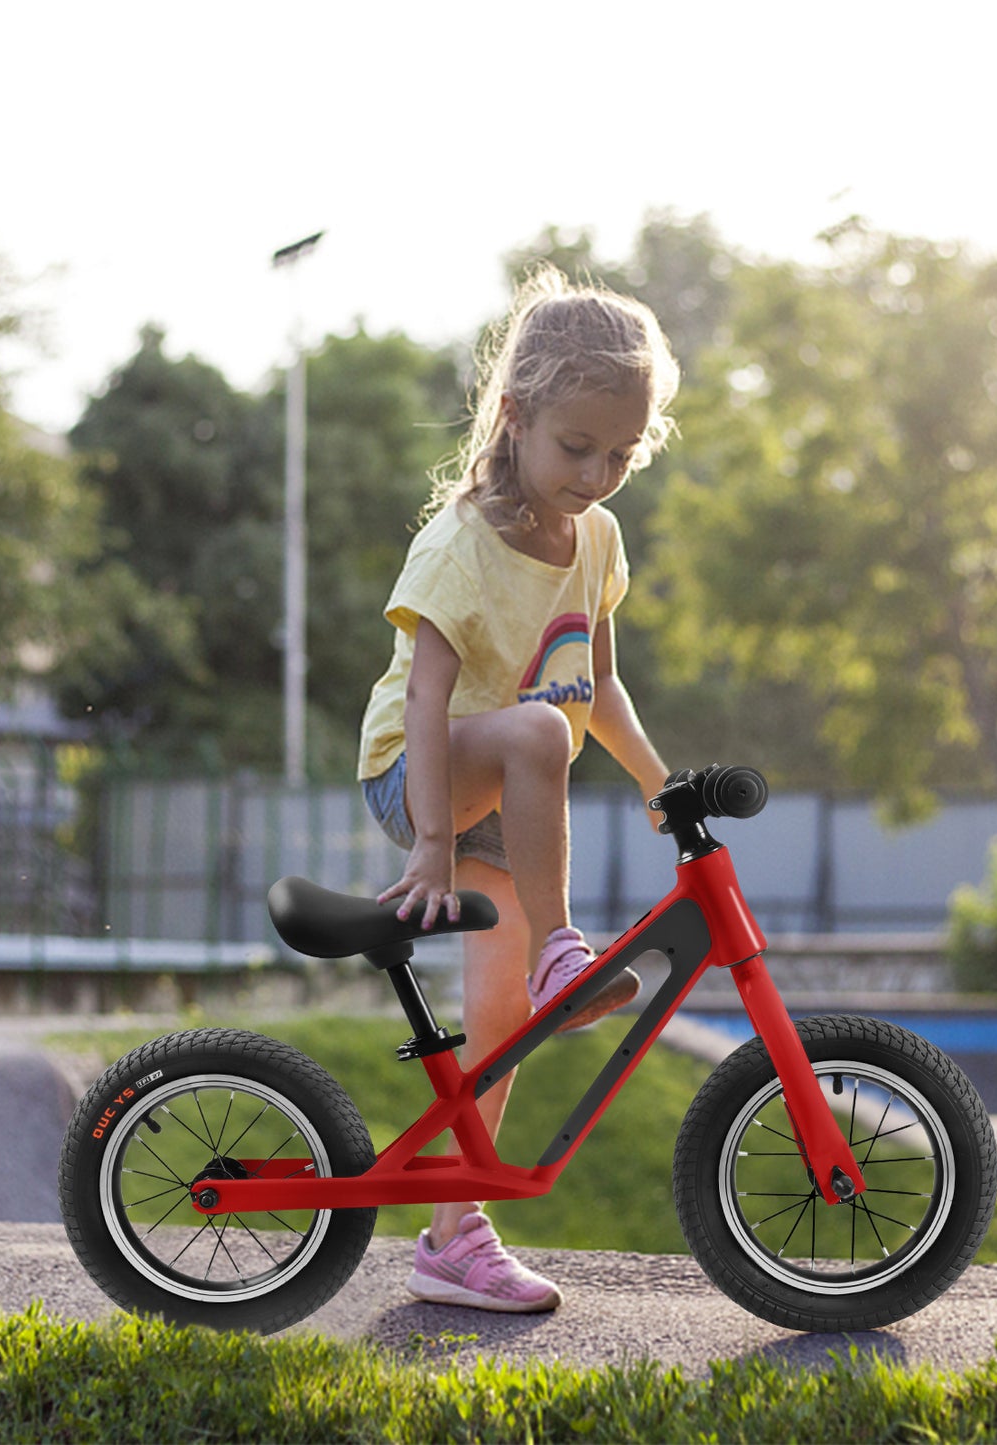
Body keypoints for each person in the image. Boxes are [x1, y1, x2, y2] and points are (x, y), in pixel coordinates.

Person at [357, 264, 679, 1312]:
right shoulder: (460, 543)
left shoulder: (595, 538)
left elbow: (602, 680)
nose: (594, 474)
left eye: (619, 453)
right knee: (540, 729)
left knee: (499, 1028)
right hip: (421, 775)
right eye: (574, 446)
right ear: (514, 415)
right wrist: (429, 849)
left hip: (504, 790)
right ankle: (560, 950)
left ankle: (453, 1235)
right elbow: (428, 700)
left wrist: (659, 783)